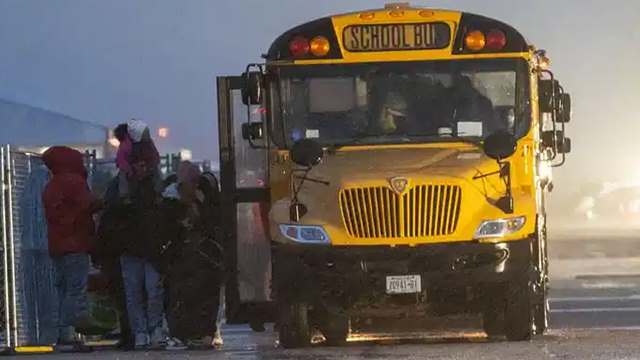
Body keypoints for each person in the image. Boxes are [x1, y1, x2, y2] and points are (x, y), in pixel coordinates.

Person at [159, 162, 225, 350]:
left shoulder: (198, 198)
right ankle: (191, 332)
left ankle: (201, 332)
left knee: (199, 295)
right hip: (185, 258)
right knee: (186, 296)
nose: (195, 186)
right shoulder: (172, 204)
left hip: (199, 257)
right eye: (192, 182)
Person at [42, 146, 102, 352]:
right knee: (76, 290)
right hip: (76, 242)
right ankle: (69, 334)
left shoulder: (51, 185)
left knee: (62, 289)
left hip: (57, 245)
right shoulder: (74, 182)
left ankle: (62, 333)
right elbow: (90, 204)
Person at [114, 123, 134, 202]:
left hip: (128, 169)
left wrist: (128, 169)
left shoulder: (124, 144)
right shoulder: (133, 142)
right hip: (135, 167)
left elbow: (121, 159)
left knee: (122, 178)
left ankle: (124, 196)